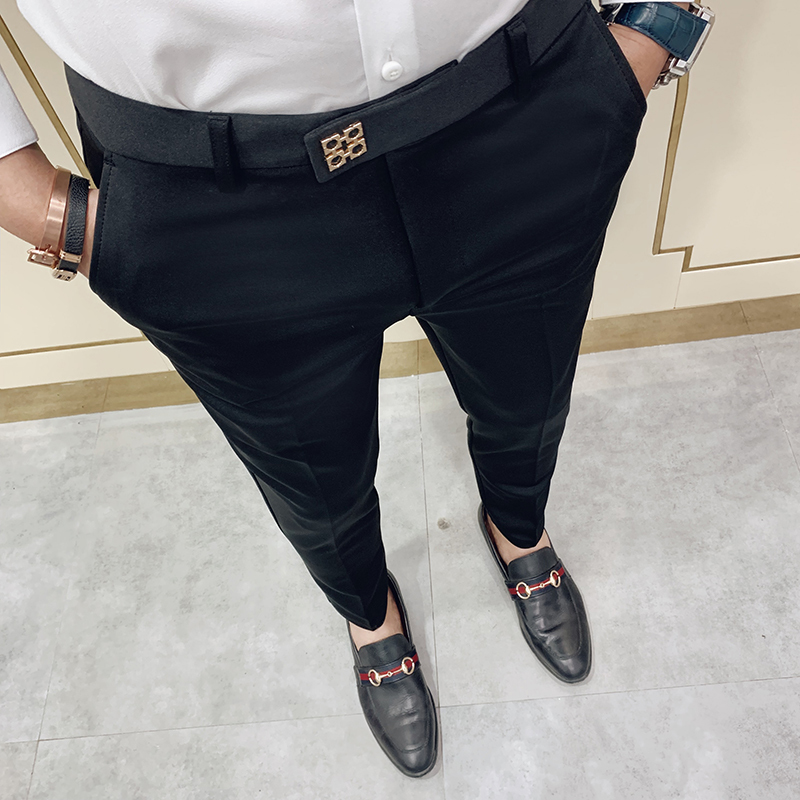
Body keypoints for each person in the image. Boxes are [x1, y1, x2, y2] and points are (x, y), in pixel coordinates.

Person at [0, 0, 714, 778]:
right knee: (313, 485)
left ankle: (520, 531)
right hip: (210, 197)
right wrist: (51, 215)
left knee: (530, 399)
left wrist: (659, 23)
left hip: (520, 106)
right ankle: (370, 617)